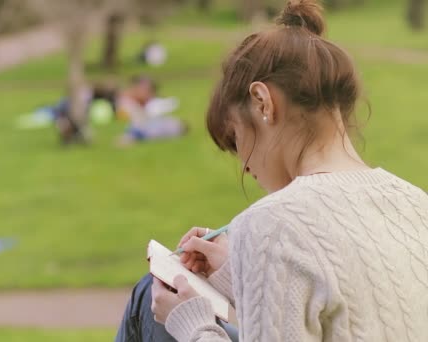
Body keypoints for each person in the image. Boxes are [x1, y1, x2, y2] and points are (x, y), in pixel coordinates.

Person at [117, 1, 428, 341]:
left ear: (263, 102)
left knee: (150, 296)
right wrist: (242, 275)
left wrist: (192, 324)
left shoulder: (273, 224)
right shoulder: (414, 202)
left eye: (237, 140)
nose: (245, 166)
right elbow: (350, 313)